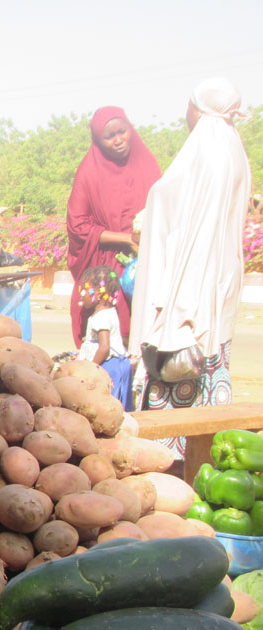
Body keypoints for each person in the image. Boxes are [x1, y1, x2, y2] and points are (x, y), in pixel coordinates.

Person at [129, 77, 252, 455]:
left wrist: (145, 220)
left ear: (198, 109)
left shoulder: (204, 150)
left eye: (188, 106)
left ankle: (176, 471)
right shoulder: (234, 149)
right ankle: (205, 463)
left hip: (189, 290)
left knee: (176, 379)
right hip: (218, 282)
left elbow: (167, 203)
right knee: (209, 369)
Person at [65, 107, 161, 348]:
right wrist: (127, 239)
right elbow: (78, 225)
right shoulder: (89, 171)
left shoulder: (146, 163)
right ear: (97, 140)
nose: (118, 140)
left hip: (147, 258)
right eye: (109, 136)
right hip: (109, 263)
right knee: (115, 334)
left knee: (151, 331)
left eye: (122, 132)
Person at [76, 265, 133, 410]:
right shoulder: (109, 312)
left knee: (107, 406)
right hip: (117, 363)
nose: (82, 294)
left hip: (109, 365)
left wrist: (91, 368)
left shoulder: (101, 317)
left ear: (99, 294)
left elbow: (104, 347)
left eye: (85, 290)